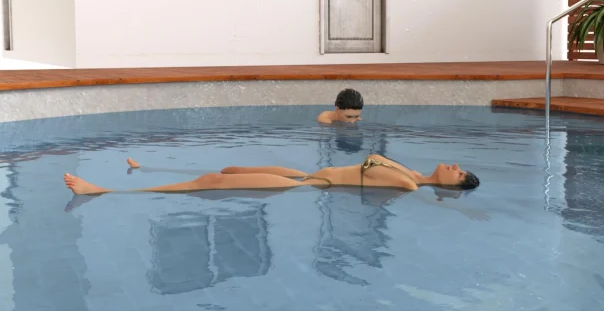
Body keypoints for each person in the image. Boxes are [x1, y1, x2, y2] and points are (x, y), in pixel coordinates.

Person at [62, 154, 480, 196]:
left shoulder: (409, 184)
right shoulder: (410, 171)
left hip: (311, 184)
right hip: (306, 174)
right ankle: (148, 168)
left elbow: (371, 170)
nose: (455, 166)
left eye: (459, 174)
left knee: (211, 182)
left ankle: (104, 191)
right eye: (459, 167)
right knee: (230, 170)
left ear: (451, 187)